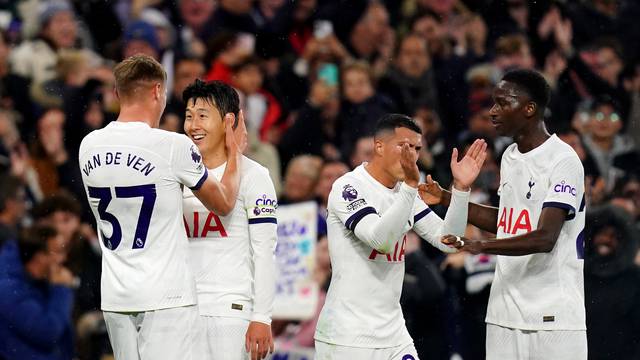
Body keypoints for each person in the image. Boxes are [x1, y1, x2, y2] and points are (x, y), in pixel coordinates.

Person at [78, 55, 246, 360]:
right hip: (167, 298)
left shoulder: (88, 145)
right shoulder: (172, 146)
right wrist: (235, 150)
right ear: (158, 91)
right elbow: (224, 203)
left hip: (116, 296)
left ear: (117, 94)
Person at [428, 69, 587, 359]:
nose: (492, 111)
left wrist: (480, 246)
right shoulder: (510, 156)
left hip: (553, 316)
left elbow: (545, 237)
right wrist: (446, 197)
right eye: (493, 102)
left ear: (529, 109)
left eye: (502, 103)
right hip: (503, 313)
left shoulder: (564, 161)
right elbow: (507, 221)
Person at [314, 114, 487, 359]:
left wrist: (460, 190)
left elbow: (449, 242)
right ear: (379, 146)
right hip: (347, 335)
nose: (412, 155)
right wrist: (409, 186)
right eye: (404, 146)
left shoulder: (406, 192)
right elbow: (380, 241)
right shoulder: (348, 187)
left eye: (417, 148)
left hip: (394, 333)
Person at [181, 79, 277, 360]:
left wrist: (262, 316)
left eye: (202, 116)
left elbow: (264, 251)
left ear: (228, 120)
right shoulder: (178, 175)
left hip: (231, 313)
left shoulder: (255, 176)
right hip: (182, 310)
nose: (193, 125)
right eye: (188, 116)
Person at [0, 225, 75, 360]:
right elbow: (48, 332)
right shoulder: (8, 290)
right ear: (40, 256)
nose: (64, 259)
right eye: (58, 252)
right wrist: (61, 289)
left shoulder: (40, 282)